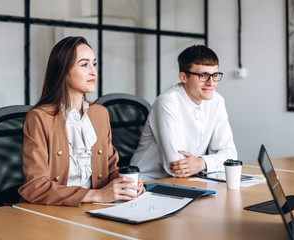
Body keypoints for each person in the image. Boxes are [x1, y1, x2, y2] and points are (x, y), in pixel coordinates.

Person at [18, 36, 144, 206]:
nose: (94, 72)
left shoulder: (100, 113)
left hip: (95, 210)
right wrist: (97, 195)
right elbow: (35, 186)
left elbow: (111, 169)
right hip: (52, 213)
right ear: (63, 71)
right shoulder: (39, 118)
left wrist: (128, 184)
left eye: (94, 64)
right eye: (84, 65)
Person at [130, 44, 237, 182]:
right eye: (203, 75)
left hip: (189, 179)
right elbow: (175, 166)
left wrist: (202, 163)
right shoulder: (167, 102)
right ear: (183, 77)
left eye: (215, 75)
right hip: (147, 182)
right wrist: (207, 163)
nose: (211, 83)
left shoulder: (217, 101)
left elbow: (230, 154)